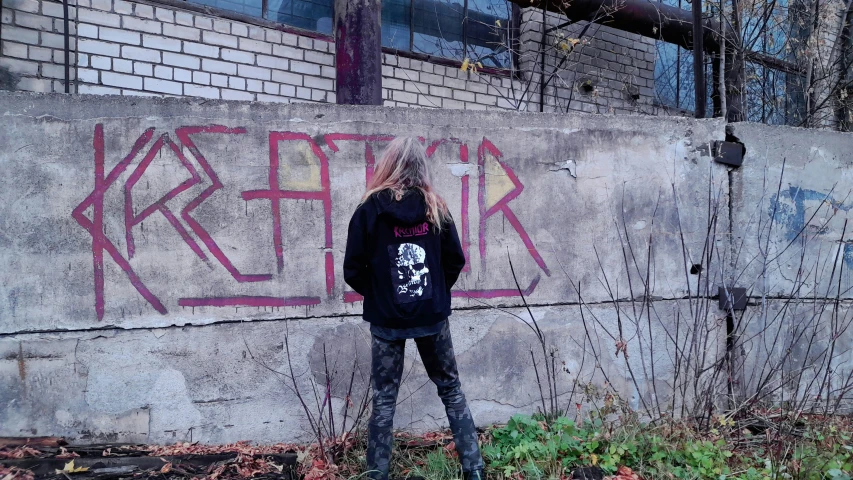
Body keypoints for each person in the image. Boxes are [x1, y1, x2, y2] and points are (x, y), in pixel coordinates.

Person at [343, 137, 485, 480]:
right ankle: (475, 471)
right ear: (422, 166)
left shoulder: (369, 210)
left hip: (387, 321)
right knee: (451, 390)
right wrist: (432, 295)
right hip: (432, 319)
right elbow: (455, 261)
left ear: (388, 164)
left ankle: (376, 475)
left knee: (385, 399)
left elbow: (352, 269)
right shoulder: (436, 207)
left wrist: (380, 296)